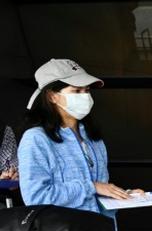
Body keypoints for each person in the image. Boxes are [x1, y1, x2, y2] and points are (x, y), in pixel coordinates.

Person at [18, 59, 142, 217]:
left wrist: (124, 195)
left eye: (87, 90)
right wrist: (92, 187)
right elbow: (36, 198)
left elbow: (98, 191)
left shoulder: (93, 138)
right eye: (76, 91)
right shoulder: (36, 139)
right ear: (51, 96)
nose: (85, 96)